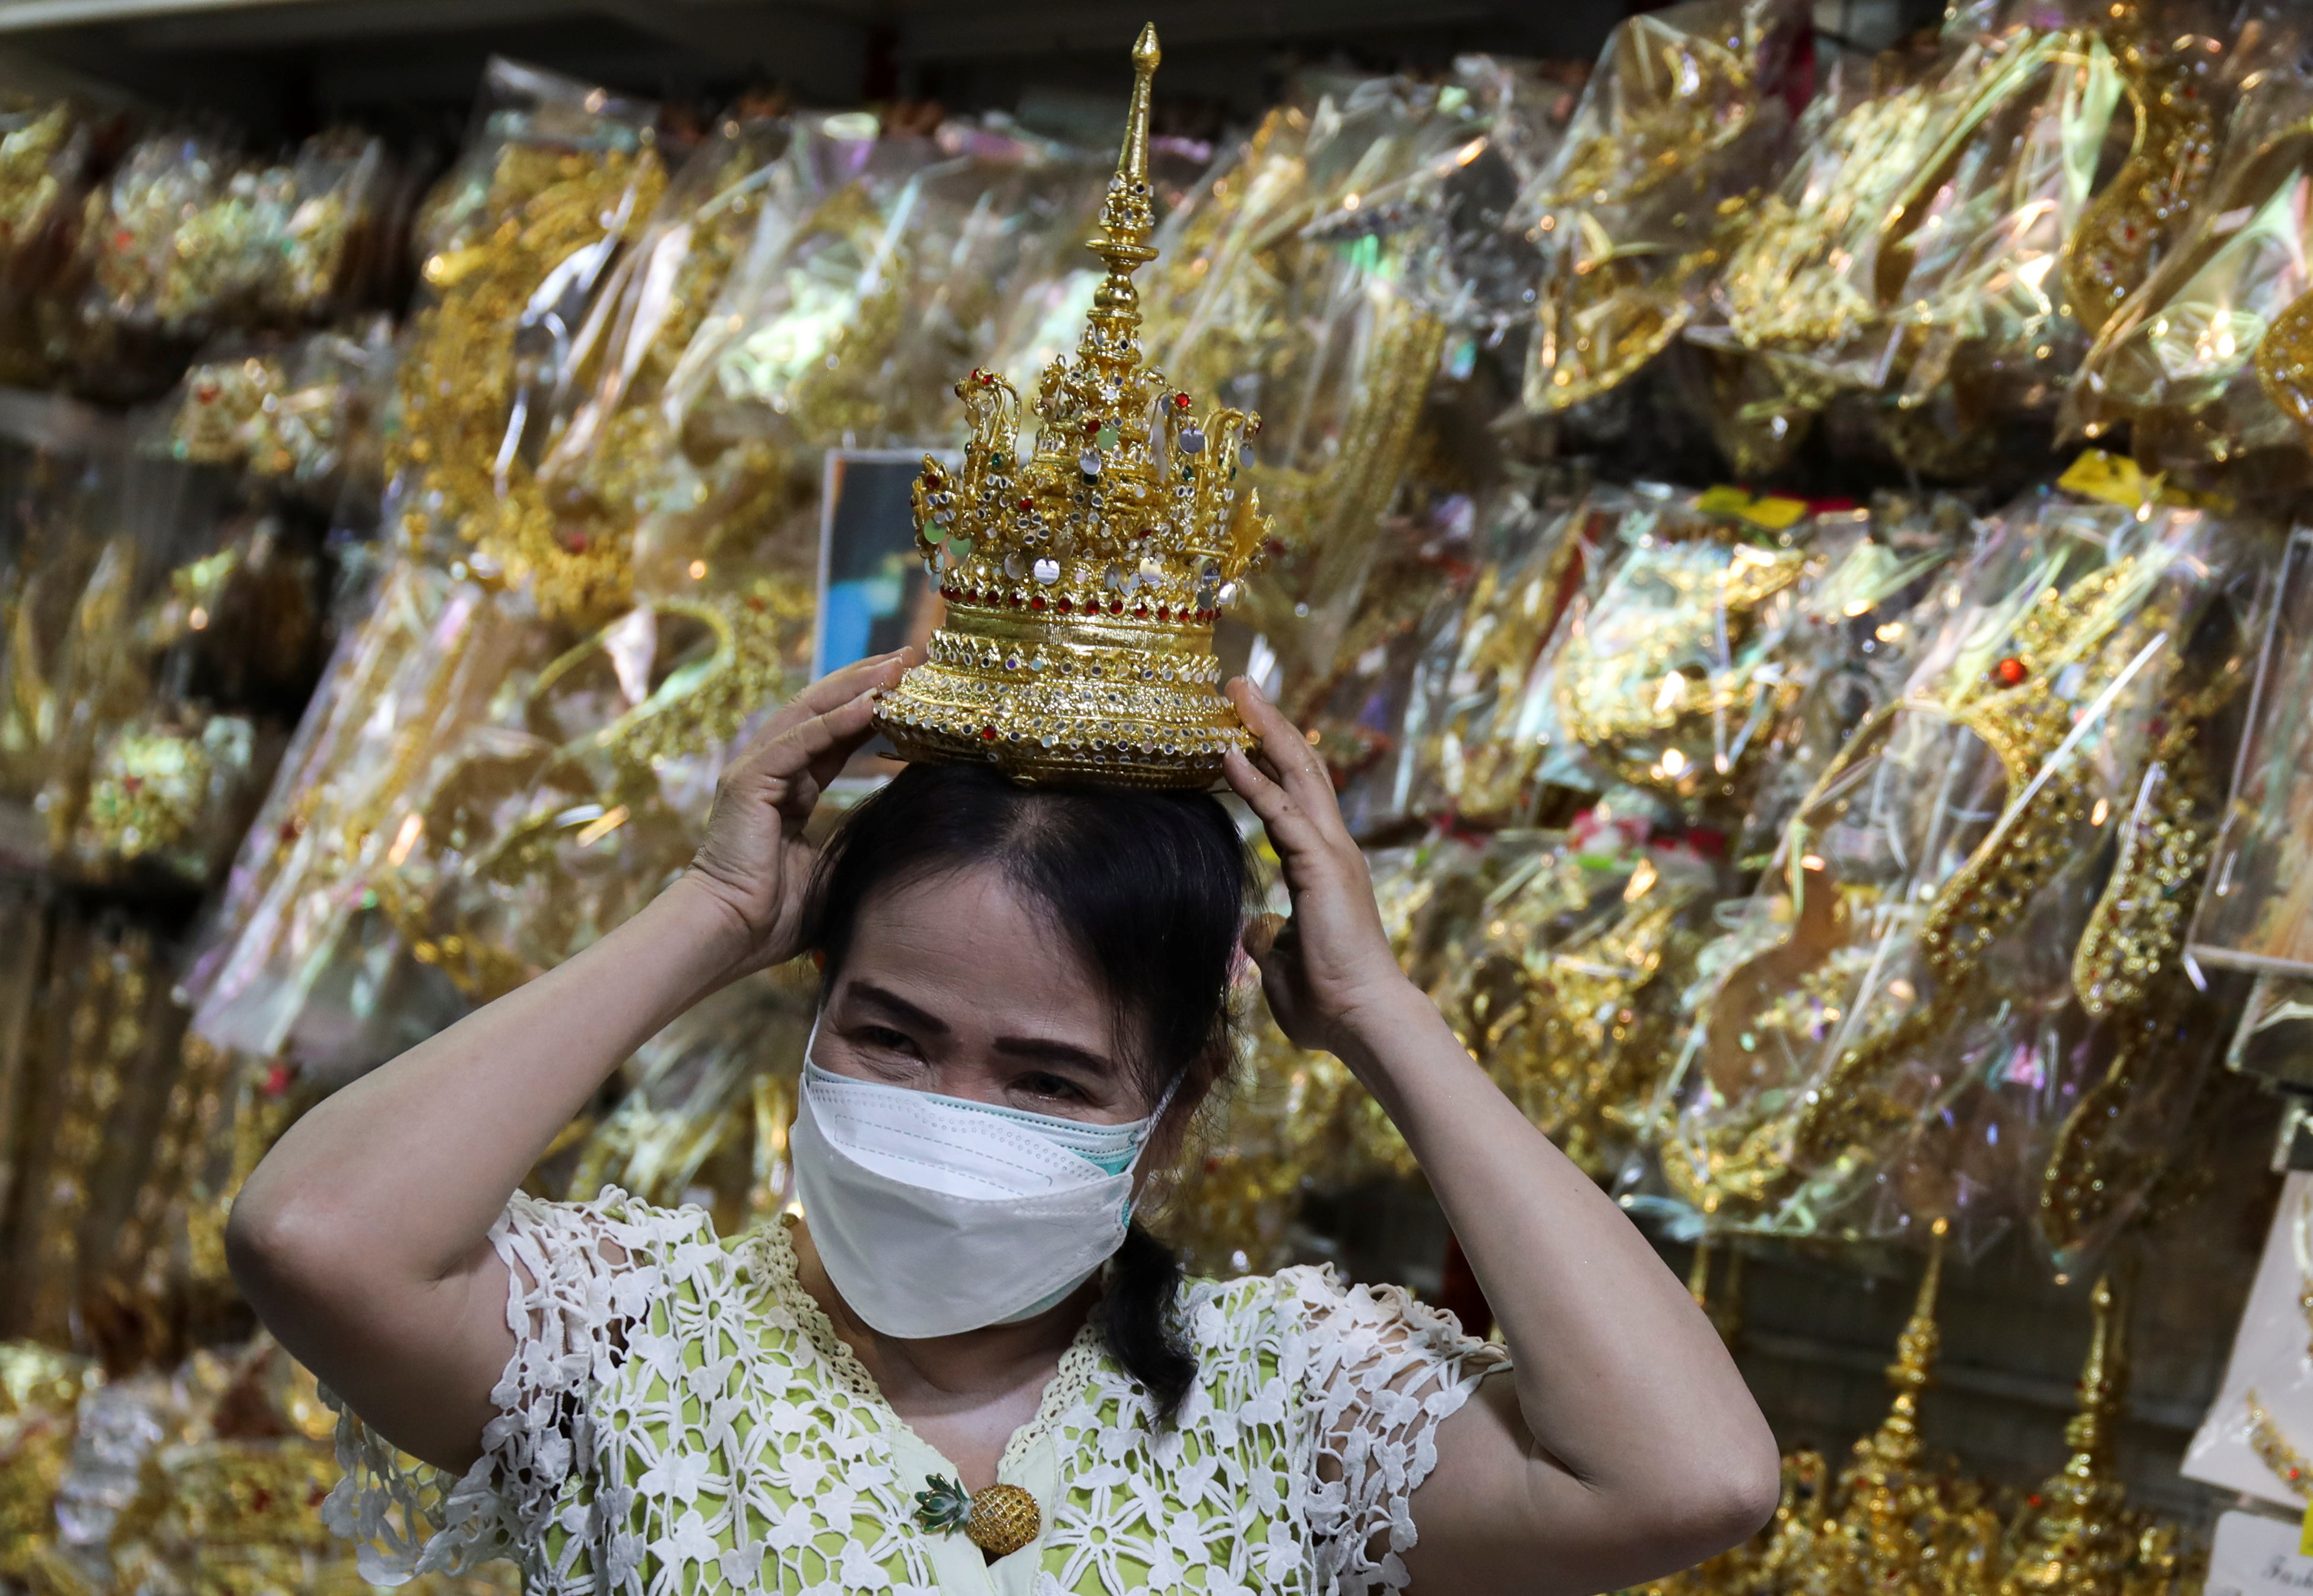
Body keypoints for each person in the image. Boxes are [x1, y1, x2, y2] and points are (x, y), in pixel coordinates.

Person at [229, 651, 1781, 1596]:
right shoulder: (629, 1345)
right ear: (812, 1020)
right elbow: (313, 1236)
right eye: (892, 1035)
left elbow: (1685, 1478)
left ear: (1168, 1118)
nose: (948, 1115)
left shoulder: (1286, 1405)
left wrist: (1383, 1018)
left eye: (1045, 1077)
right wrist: (707, 911)